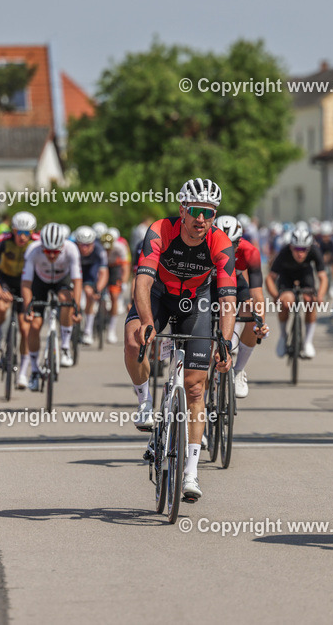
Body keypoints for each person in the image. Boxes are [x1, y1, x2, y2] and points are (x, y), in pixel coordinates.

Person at [124, 178, 236, 502]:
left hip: (196, 302)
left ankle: (190, 472)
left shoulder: (220, 242)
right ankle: (144, 401)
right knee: (134, 343)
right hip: (158, 294)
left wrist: (226, 342)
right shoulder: (160, 230)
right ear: (182, 210)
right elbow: (142, 282)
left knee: (196, 387)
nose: (202, 219)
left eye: (209, 213)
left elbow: (228, 300)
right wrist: (147, 322)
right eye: (196, 211)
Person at [21, 223, 83, 390]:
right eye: (47, 251)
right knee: (34, 325)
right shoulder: (33, 250)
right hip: (39, 282)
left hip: (62, 280)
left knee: (66, 300)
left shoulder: (71, 249)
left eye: (56, 252)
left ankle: (64, 348)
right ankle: (34, 371)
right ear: (42, 247)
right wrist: (28, 308)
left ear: (62, 246)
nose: (51, 255)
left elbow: (77, 280)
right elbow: (26, 283)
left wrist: (76, 307)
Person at [214, 215, 269, 398]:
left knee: (252, 314)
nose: (228, 249)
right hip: (209, 286)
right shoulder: (202, 247)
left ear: (240, 241)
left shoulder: (250, 252)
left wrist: (260, 322)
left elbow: (256, 293)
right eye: (222, 243)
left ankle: (239, 371)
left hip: (235, 285)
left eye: (233, 245)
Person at [266, 226, 328, 359]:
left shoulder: (315, 251)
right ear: (291, 247)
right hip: (286, 277)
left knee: (310, 302)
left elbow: (323, 277)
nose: (300, 253)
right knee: (286, 302)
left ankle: (308, 342)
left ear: (309, 248)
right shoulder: (284, 252)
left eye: (304, 250)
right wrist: (276, 296)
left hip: (305, 276)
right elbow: (270, 278)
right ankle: (283, 336)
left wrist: (320, 296)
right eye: (297, 249)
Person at [0, 211, 38, 354]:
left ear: (32, 232)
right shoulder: (2, 240)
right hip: (6, 278)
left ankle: (23, 370)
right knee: (2, 307)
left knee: (25, 328)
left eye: (27, 233)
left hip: (26, 282)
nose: (22, 236)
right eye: (19, 232)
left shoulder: (38, 242)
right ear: (13, 230)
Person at [74, 225, 108, 345]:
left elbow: (104, 273)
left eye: (87, 245)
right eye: (81, 244)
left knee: (90, 295)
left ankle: (88, 331)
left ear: (93, 243)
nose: (84, 248)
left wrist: (97, 290)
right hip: (76, 268)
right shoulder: (72, 248)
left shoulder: (99, 250)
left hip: (91, 270)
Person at [102, 228, 131, 344]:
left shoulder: (120, 247)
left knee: (114, 296)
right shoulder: (98, 247)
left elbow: (125, 267)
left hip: (114, 267)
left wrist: (123, 282)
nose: (107, 251)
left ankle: (111, 329)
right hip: (102, 266)